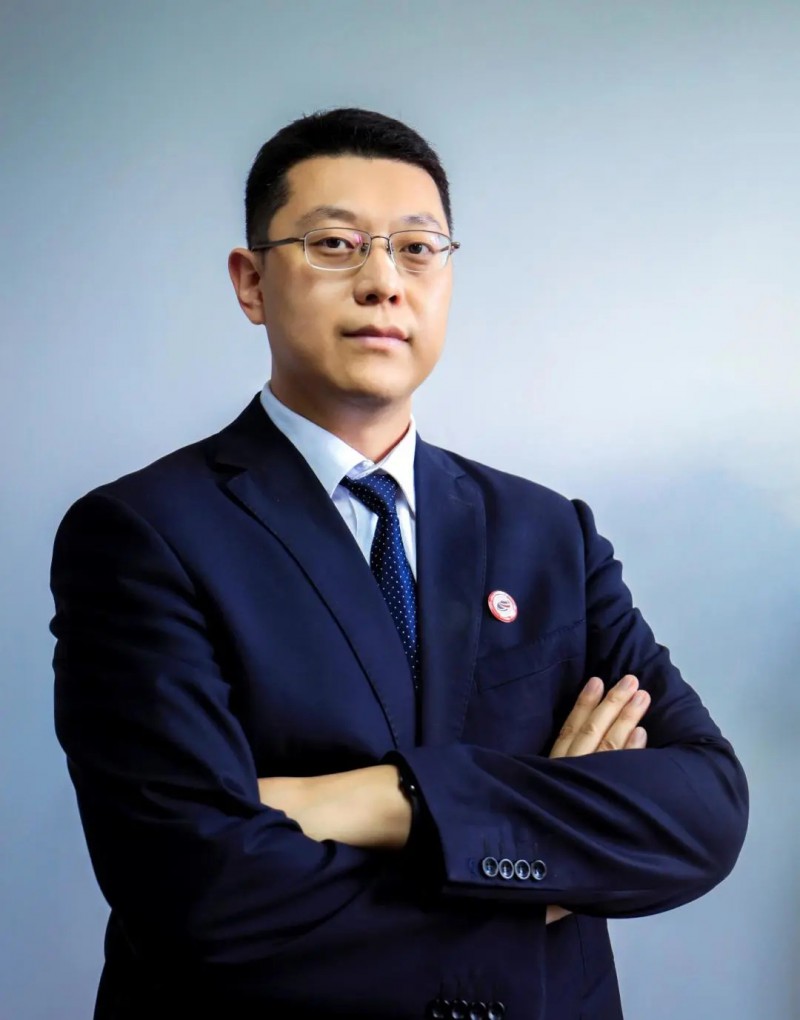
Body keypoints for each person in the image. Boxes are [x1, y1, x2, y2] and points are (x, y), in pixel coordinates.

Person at [50, 107, 748, 1020]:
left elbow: (703, 809)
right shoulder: (143, 534)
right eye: (336, 245)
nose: (384, 282)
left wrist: (392, 800)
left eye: (418, 249)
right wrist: (538, 863)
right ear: (252, 282)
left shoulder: (548, 532)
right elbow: (194, 885)